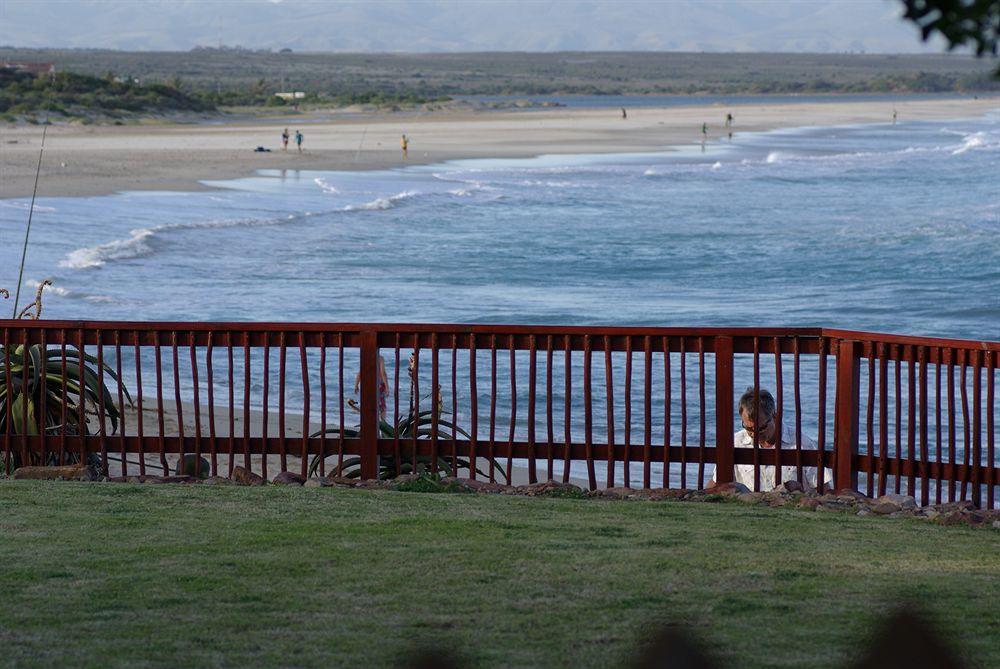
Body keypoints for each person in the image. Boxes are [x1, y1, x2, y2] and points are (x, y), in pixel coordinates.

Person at [710, 386, 833, 492]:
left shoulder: (802, 444)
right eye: (749, 428)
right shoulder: (735, 443)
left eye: (761, 428)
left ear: (775, 416)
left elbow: (823, 488)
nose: (754, 434)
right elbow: (717, 484)